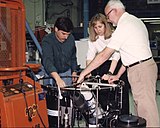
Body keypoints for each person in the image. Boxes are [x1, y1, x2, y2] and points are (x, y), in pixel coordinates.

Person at [77, 0, 160, 127]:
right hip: (139, 67)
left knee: (147, 111)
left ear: (114, 11)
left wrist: (84, 72)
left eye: (108, 16)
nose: (109, 20)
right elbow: (129, 56)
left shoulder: (124, 26)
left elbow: (105, 55)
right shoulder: (135, 21)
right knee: (142, 111)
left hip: (141, 70)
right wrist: (116, 76)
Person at [41, 17, 78, 127]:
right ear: (55, 29)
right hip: (50, 74)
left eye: (68, 34)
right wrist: (57, 78)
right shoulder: (47, 40)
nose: (66, 37)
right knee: (51, 103)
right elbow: (47, 61)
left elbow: (73, 57)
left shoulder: (71, 39)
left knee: (66, 103)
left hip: (66, 72)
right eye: (63, 34)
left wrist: (74, 71)